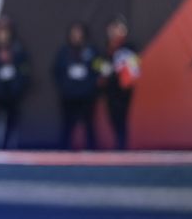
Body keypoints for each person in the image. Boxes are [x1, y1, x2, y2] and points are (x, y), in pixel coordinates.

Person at [0, 16, 30, 149]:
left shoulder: (18, 49)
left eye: (5, 31)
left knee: (12, 121)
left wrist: (17, 82)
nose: (3, 35)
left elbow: (25, 70)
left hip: (13, 92)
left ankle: (9, 147)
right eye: (0, 31)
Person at [52, 22, 100, 150]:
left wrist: (90, 85)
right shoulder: (64, 51)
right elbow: (56, 71)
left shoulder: (92, 51)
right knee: (67, 126)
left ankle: (92, 151)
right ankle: (63, 151)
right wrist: (65, 86)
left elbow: (99, 70)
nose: (76, 36)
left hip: (86, 95)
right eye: (74, 33)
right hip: (69, 95)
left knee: (89, 125)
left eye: (79, 33)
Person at [98, 16, 140, 149]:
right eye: (113, 28)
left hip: (124, 88)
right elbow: (98, 64)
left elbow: (135, 65)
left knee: (122, 116)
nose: (115, 31)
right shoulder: (105, 47)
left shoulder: (129, 47)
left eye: (118, 28)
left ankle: (122, 145)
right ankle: (118, 142)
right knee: (112, 116)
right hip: (110, 88)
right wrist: (103, 69)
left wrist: (124, 70)